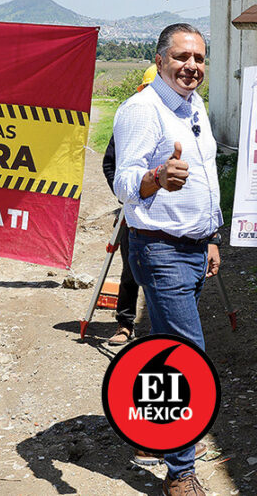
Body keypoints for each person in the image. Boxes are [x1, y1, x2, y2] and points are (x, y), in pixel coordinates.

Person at [113, 23, 221, 496]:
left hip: (193, 247)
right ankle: (180, 472)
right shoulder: (141, 110)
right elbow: (123, 182)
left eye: (198, 58)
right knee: (187, 356)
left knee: (165, 347)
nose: (191, 66)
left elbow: (207, 178)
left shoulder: (195, 106)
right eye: (181, 57)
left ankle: (154, 435)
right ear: (159, 61)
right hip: (160, 250)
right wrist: (156, 177)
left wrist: (210, 237)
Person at [101, 65, 158, 346]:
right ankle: (125, 323)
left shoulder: (176, 123)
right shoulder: (131, 122)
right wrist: (124, 195)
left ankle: (162, 326)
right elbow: (109, 164)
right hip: (133, 208)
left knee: (164, 272)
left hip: (167, 212)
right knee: (130, 269)